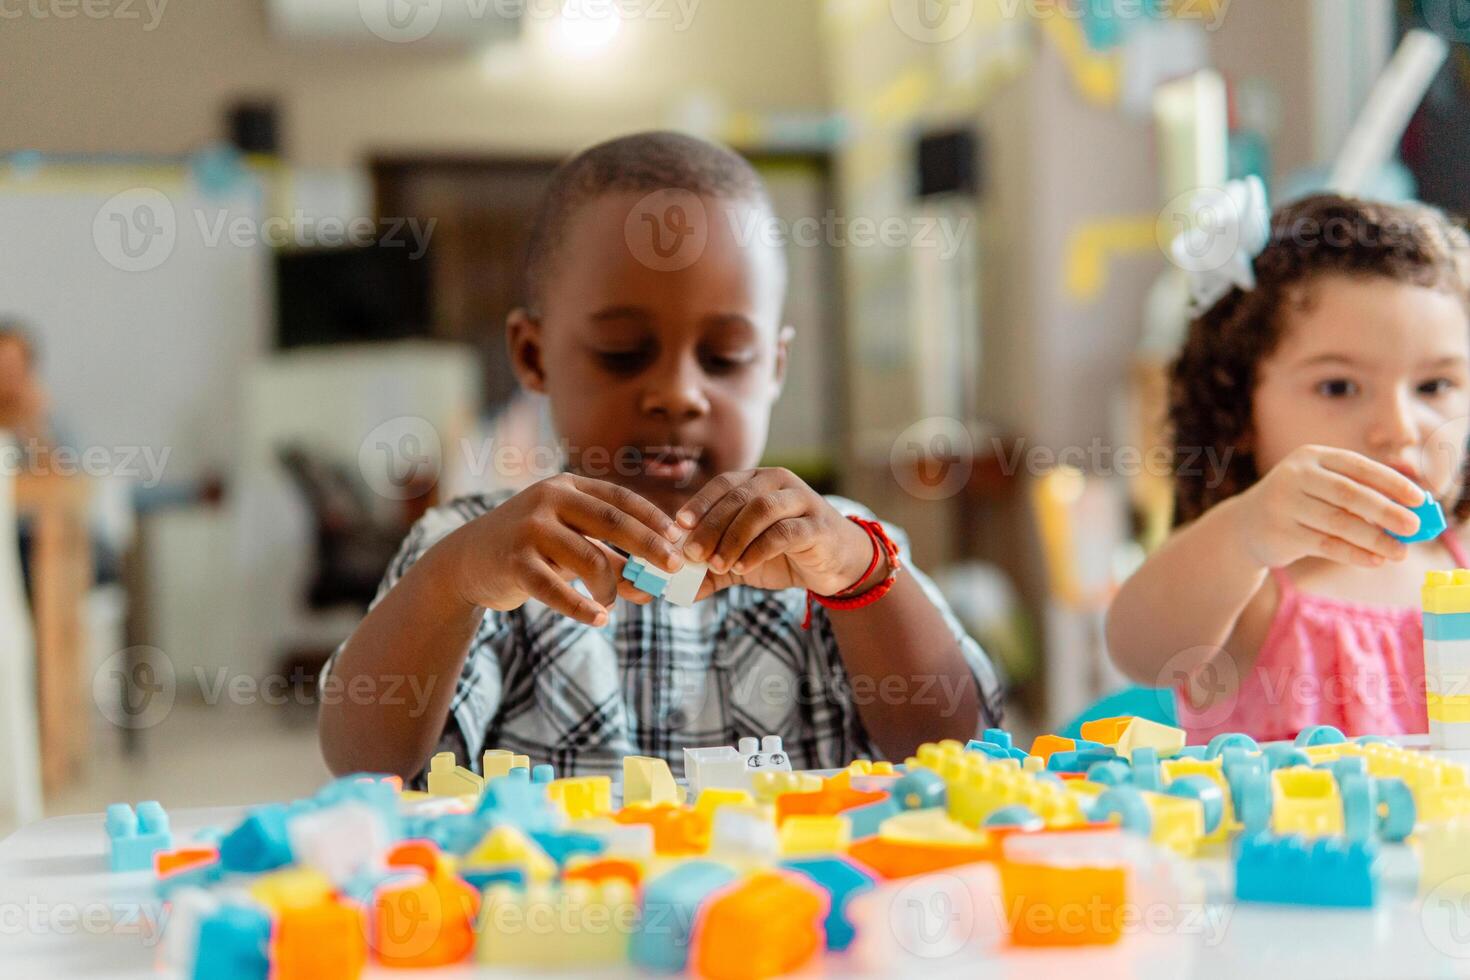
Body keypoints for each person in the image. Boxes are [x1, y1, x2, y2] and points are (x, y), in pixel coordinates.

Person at [318, 131, 1002, 781]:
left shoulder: (837, 551)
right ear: (533, 355)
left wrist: (860, 576)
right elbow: (366, 768)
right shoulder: (475, 552)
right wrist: (452, 582)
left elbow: (958, 748)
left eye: (725, 358)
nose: (678, 394)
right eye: (623, 354)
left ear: (774, 367)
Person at [1107, 185, 1470, 741]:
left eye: (1434, 385)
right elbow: (1140, 651)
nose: (1399, 428)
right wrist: (1244, 533)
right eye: (1339, 386)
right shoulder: (1253, 585)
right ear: (1241, 410)